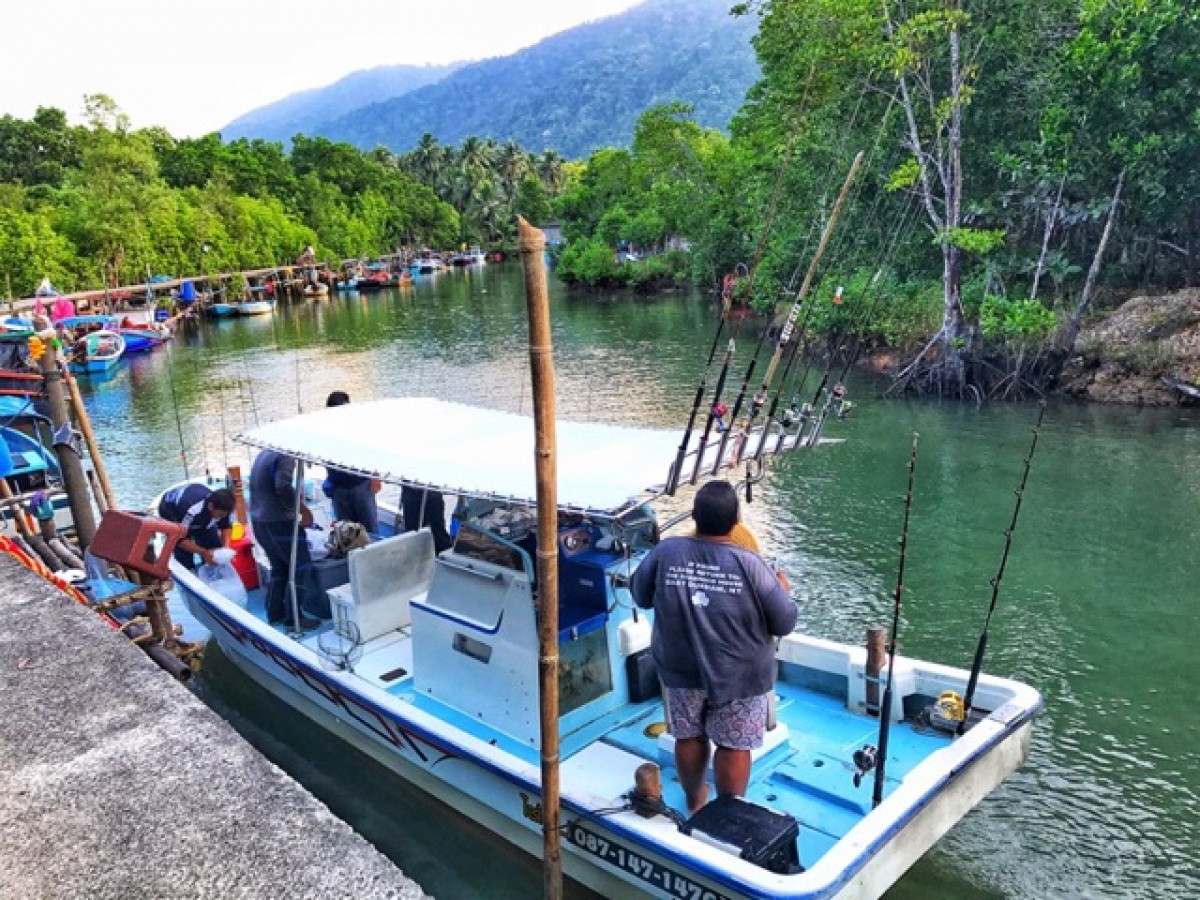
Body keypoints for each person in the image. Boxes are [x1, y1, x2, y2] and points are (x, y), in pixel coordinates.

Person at [630, 480, 797, 816]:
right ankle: (726, 814)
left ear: (695, 516)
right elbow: (784, 623)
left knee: (688, 736)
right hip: (741, 675)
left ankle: (695, 800)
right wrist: (783, 590)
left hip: (681, 668)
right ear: (736, 520)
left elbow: (640, 595)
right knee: (733, 744)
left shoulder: (666, 551)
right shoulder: (753, 564)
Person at [249, 448, 323, 629]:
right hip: (279, 522)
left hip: (260, 520)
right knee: (300, 567)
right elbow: (282, 485)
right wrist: (303, 509)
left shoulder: (265, 453)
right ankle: (294, 618)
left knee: (280, 568)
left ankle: (275, 612)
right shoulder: (285, 455)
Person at [322, 391, 379, 535]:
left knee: (369, 529)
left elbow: (372, 450)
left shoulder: (358, 427)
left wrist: (375, 476)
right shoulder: (324, 429)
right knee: (347, 533)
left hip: (361, 485)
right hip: (339, 488)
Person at [157, 484, 235, 570]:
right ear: (211, 506)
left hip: (199, 513)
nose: (221, 518)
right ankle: (189, 569)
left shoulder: (222, 507)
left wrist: (225, 547)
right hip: (171, 510)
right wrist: (203, 552)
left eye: (224, 515)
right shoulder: (192, 510)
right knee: (184, 556)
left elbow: (225, 526)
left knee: (215, 547)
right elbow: (179, 540)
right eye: (220, 515)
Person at [400, 485, 453, 553]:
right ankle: (413, 553)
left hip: (431, 490)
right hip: (411, 488)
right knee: (412, 531)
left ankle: (444, 554)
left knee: (437, 528)